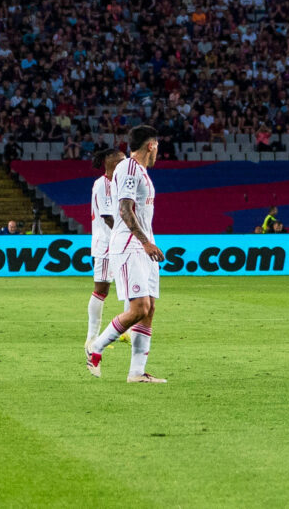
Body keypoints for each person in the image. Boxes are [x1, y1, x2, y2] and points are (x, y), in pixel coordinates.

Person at [88, 125, 165, 383]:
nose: (157, 153)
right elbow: (124, 209)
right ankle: (96, 347)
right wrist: (145, 242)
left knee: (149, 308)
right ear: (150, 146)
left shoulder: (140, 171)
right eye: (157, 148)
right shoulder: (130, 167)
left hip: (143, 246)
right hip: (130, 245)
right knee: (138, 307)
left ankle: (136, 372)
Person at [87, 147, 124, 350]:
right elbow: (107, 217)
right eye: (120, 160)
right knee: (101, 289)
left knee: (129, 286)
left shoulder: (118, 184)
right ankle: (92, 337)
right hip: (106, 244)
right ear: (109, 162)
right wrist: (130, 233)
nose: (124, 163)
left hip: (119, 242)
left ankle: (126, 331)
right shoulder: (102, 185)